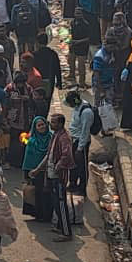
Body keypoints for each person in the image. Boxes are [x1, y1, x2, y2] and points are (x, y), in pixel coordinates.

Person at [31, 113, 74, 241]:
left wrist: (57, 167)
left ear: (60, 124)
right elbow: (48, 155)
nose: (51, 124)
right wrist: (38, 169)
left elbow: (66, 155)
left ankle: (66, 233)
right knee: (56, 202)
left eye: (54, 122)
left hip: (58, 177)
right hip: (50, 175)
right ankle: (60, 227)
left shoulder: (64, 138)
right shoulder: (55, 135)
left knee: (61, 203)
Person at [22, 116, 53, 222]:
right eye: (39, 125)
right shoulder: (32, 141)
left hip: (50, 171)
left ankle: (48, 215)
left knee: (49, 193)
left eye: (43, 124)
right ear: (35, 128)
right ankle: (39, 215)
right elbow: (28, 159)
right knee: (38, 194)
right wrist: (27, 174)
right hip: (36, 172)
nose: (41, 127)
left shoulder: (51, 138)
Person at [67, 91, 96, 195]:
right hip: (74, 139)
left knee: (82, 167)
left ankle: (82, 188)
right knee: (72, 164)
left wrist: (80, 148)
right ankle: (73, 184)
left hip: (81, 142)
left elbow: (85, 131)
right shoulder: (77, 107)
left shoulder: (86, 112)